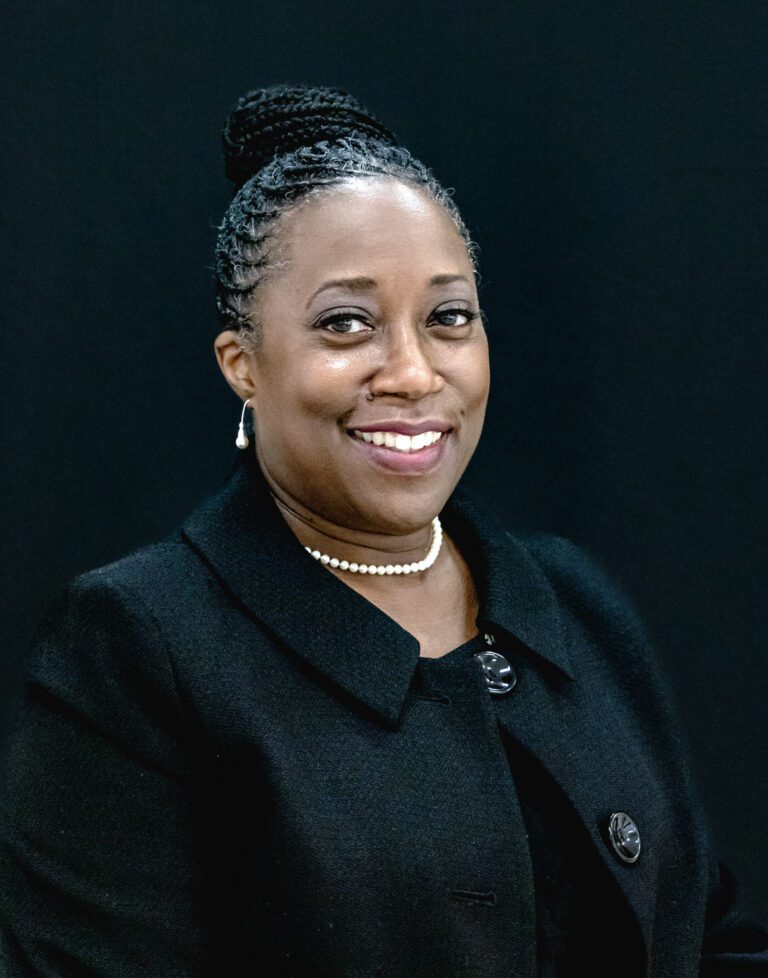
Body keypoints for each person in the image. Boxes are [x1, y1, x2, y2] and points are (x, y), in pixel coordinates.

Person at [0, 83, 766, 978]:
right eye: (346, 323)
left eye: (448, 318)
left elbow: (707, 940)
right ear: (242, 364)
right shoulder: (141, 648)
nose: (411, 372)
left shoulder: (572, 605)